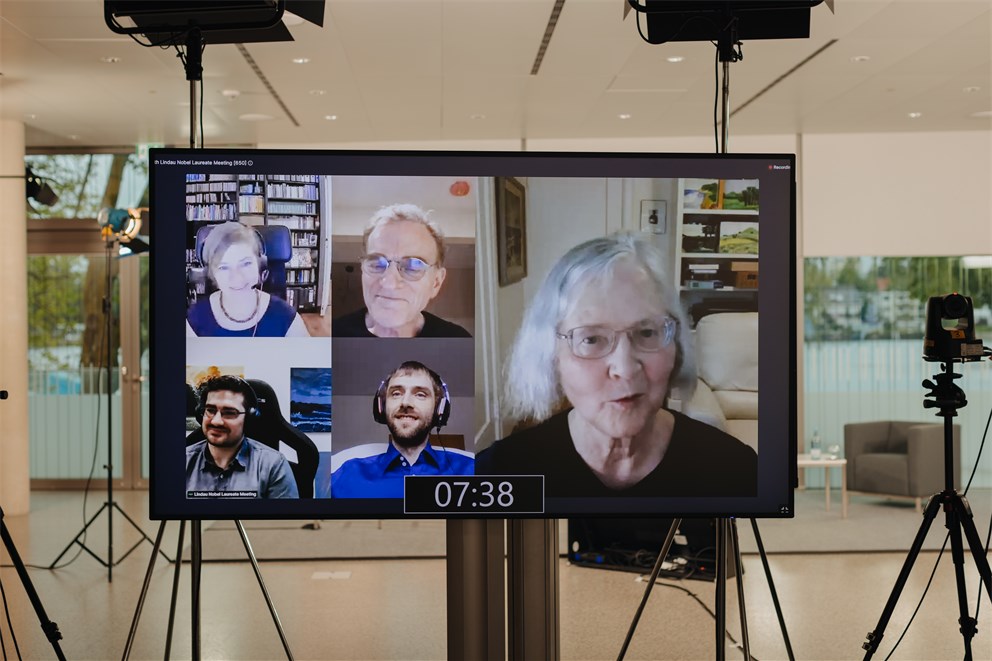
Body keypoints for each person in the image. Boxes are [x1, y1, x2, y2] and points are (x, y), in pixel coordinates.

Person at [475, 232, 757, 497]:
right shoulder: (500, 473)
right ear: (550, 354)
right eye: (592, 339)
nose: (624, 368)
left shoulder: (734, 469)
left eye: (647, 332)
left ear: (677, 345)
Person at [331, 361, 474, 498]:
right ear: (381, 406)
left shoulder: (472, 470)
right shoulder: (346, 475)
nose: (405, 402)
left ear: (439, 409)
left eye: (420, 394)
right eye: (396, 393)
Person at [332, 204, 471, 338]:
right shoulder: (332, 335)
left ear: (436, 282)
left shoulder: (459, 341)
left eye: (412, 266)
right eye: (377, 264)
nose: (389, 283)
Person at [186, 221, 310, 337]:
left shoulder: (286, 317)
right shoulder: (195, 319)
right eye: (223, 267)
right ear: (212, 274)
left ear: (260, 265)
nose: (237, 277)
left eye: (245, 264)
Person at [186, 375, 299, 499]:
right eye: (210, 410)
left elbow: (282, 518)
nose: (216, 421)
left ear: (248, 420)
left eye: (229, 412)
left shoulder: (273, 465)